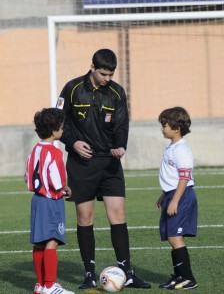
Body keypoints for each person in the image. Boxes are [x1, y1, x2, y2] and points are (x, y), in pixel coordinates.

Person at [56, 48, 151, 289]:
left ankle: (127, 271)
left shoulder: (117, 93)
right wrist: (73, 143)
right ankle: (89, 273)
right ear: (93, 67)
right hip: (81, 163)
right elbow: (58, 120)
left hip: (109, 164)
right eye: (104, 74)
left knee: (118, 215)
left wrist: (120, 146)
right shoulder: (72, 88)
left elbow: (121, 124)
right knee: (85, 217)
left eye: (111, 74)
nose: (108, 78)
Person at [25, 108, 75, 294]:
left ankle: (39, 285)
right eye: (61, 127)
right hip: (51, 201)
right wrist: (65, 188)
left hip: (37, 200)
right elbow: (55, 181)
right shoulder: (55, 153)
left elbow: (27, 176)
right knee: (52, 241)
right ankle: (49, 285)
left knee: (39, 242)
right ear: (55, 131)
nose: (62, 130)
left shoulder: (35, 150)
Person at [156, 106, 198, 290]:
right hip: (172, 194)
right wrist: (164, 195)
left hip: (181, 195)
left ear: (176, 128)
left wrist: (174, 200)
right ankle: (179, 276)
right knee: (171, 237)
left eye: (164, 125)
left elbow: (184, 177)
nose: (162, 128)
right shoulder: (171, 147)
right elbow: (171, 177)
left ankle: (188, 278)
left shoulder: (181, 149)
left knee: (175, 237)